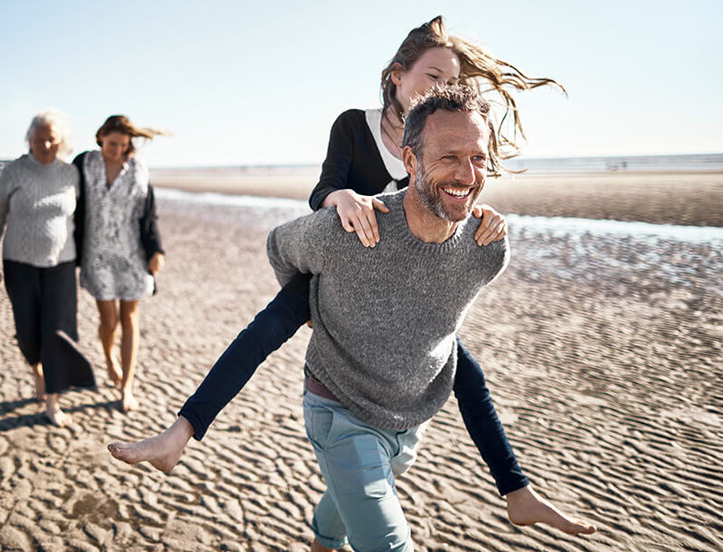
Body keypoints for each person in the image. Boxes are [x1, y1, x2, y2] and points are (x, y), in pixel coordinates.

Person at [109, 16, 591, 537]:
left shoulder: (441, 133)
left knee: (458, 362)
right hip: (338, 247)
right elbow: (324, 191)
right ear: (396, 76)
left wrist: (482, 214)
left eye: (453, 83)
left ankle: (512, 490)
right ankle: (181, 431)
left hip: (397, 277)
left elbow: (450, 188)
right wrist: (338, 206)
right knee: (266, 330)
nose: (443, 90)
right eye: (433, 78)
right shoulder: (356, 125)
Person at [276, 85, 591, 550]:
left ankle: (322, 543)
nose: (468, 173)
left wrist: (514, 484)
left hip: (409, 420)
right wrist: (311, 310)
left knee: (345, 502)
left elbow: (449, 346)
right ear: (409, 160)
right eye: (448, 157)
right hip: (338, 409)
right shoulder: (352, 226)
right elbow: (279, 247)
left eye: (479, 158)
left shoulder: (487, 249)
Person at [0, 109, 94, 427]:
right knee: (29, 334)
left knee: (57, 333)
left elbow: (85, 220)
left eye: (51, 139)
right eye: (39, 138)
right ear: (29, 139)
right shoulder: (13, 172)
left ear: (62, 141)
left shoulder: (71, 174)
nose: (45, 144)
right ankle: (37, 371)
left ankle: (53, 402)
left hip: (61, 265)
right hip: (19, 265)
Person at [72, 115, 166, 413]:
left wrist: (156, 250)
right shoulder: (83, 164)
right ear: (100, 137)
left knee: (130, 317)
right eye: (113, 144)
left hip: (132, 253)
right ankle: (109, 358)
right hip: (96, 253)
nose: (117, 150)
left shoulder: (137, 168)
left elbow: (148, 212)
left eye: (124, 145)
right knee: (108, 320)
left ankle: (127, 385)